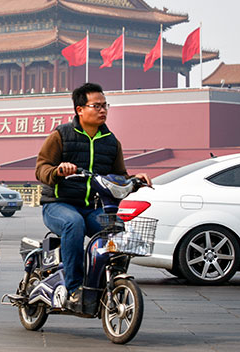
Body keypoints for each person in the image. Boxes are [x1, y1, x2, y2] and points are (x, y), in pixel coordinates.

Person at [35, 83, 152, 310]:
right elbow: (41, 169)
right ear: (80, 109)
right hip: (58, 205)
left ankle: (110, 281)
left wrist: (135, 180)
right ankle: (74, 288)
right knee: (73, 223)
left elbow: (119, 177)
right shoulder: (61, 135)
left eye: (105, 105)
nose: (103, 110)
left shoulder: (110, 142)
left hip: (92, 207)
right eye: (96, 106)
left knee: (115, 228)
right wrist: (58, 171)